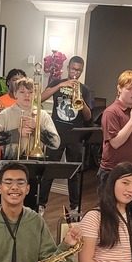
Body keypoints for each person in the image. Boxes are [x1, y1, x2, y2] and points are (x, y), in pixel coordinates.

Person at [39, 55, 93, 216]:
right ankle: (41, 206)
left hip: (75, 136)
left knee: (74, 172)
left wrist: (81, 99)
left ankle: (75, 208)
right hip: (55, 133)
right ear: (68, 68)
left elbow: (88, 116)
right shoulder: (57, 83)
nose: (75, 72)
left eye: (78, 70)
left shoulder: (85, 90)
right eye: (73, 68)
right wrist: (61, 85)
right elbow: (40, 98)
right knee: (49, 170)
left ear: (81, 71)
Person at [0, 77, 60, 165]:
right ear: (15, 94)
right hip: (10, 165)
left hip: (36, 165)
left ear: (35, 95)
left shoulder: (43, 115)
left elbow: (55, 144)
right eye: (22, 92)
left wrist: (37, 128)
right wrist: (17, 133)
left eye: (30, 92)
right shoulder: (5, 114)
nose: (27, 95)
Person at [99, 70, 132, 190]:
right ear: (119, 88)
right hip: (114, 171)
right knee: (110, 208)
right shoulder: (111, 112)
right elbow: (115, 143)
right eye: (130, 89)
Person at [0, 68, 26, 163]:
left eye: (20, 80)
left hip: (21, 148)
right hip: (1, 148)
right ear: (8, 82)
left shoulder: (27, 102)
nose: (17, 82)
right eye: (14, 79)